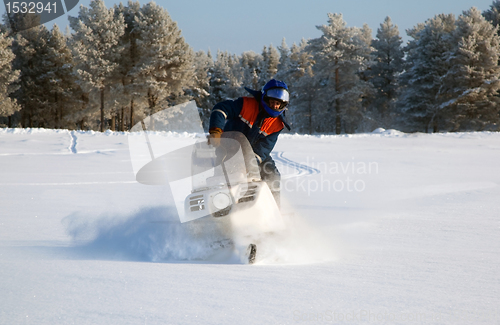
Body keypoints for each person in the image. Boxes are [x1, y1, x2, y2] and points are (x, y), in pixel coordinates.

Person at [208, 79, 291, 208]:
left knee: (273, 176)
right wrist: (216, 130)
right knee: (222, 181)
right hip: (229, 149)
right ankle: (217, 210)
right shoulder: (246, 104)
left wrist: (249, 163)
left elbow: (264, 148)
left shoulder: (277, 124)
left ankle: (274, 212)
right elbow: (221, 108)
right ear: (265, 98)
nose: (275, 106)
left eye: (278, 104)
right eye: (273, 102)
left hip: (255, 154)